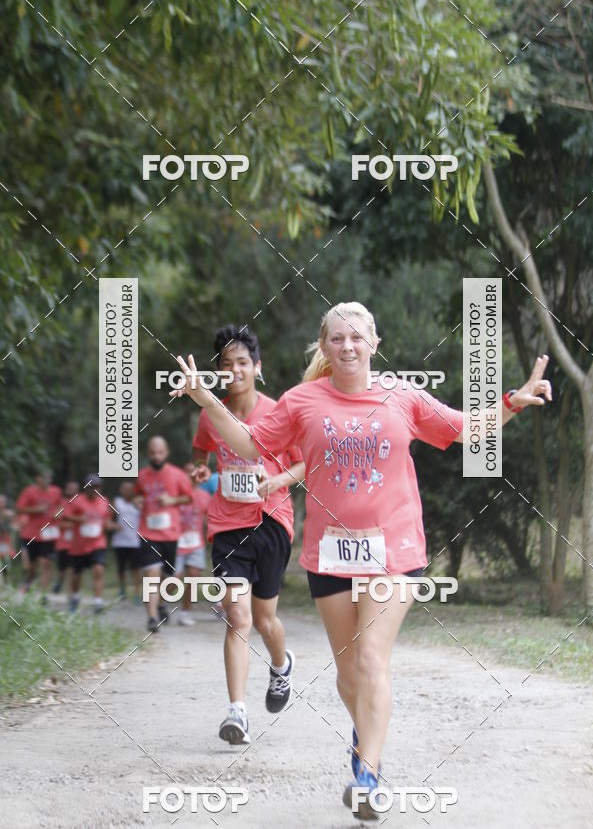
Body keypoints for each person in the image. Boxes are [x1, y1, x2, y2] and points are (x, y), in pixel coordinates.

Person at [171, 302, 552, 819]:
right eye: (336, 339)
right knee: (349, 676)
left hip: (394, 550)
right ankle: (364, 732)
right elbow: (251, 444)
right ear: (324, 348)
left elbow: (466, 428)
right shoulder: (302, 400)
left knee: (372, 659)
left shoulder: (402, 396)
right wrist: (205, 399)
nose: (347, 346)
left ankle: (368, 775)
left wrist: (514, 400)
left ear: (374, 343)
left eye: (357, 337)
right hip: (329, 553)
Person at [190, 324, 305, 746]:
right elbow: (200, 447)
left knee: (264, 619)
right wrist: (200, 468)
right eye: (226, 364)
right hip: (226, 525)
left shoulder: (280, 412)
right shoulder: (210, 413)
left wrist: (276, 482)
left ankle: (281, 665)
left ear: (257, 367)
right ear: (218, 372)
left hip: (272, 522)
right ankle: (236, 712)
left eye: (243, 362)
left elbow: (304, 465)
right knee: (237, 618)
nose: (234, 370)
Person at [134, 436, 193, 633]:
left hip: (170, 534)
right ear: (148, 454)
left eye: (160, 452)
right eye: (152, 453)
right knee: (151, 574)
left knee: (170, 579)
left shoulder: (177, 475)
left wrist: (171, 500)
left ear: (166, 453)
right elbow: (137, 495)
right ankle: (152, 618)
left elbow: (188, 498)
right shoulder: (142, 476)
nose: (156, 456)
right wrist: (138, 501)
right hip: (148, 532)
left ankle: (160, 603)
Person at [67, 474, 112, 613]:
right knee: (77, 575)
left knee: (99, 569)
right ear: (86, 487)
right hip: (78, 545)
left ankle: (98, 601)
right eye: (91, 487)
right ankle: (75, 597)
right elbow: (65, 515)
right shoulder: (77, 500)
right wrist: (79, 518)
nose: (94, 489)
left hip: (98, 543)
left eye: (97, 487)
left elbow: (106, 518)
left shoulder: (104, 501)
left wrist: (109, 525)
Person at [16, 469, 63, 601]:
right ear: (38, 479)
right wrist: (36, 509)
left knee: (46, 563)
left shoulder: (56, 491)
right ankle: (28, 583)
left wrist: (58, 514)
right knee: (30, 567)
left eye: (49, 478)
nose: (47, 480)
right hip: (31, 533)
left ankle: (44, 595)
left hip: (48, 533)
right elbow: (20, 508)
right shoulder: (29, 491)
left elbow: (61, 507)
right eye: (43, 477)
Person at [175, 463, 211, 626]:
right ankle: (160, 605)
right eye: (187, 472)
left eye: (194, 472)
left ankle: (185, 613)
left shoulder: (204, 496)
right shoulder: (175, 494)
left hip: (196, 543)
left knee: (193, 577)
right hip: (176, 542)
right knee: (173, 578)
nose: (191, 475)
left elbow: (206, 518)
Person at [112, 480, 141, 601]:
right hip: (120, 541)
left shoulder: (139, 502)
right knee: (121, 568)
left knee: (136, 569)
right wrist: (113, 525)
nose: (127, 492)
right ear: (121, 490)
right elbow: (107, 518)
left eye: (130, 489)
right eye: (125, 489)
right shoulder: (116, 502)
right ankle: (122, 590)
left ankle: (136, 594)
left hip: (135, 541)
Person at [53, 480, 79, 594]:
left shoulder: (80, 503)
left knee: (72, 568)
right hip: (62, 541)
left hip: (76, 542)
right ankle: (59, 582)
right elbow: (56, 518)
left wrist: (70, 520)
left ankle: (70, 590)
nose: (71, 490)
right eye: (69, 488)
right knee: (62, 567)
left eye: (73, 488)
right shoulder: (62, 503)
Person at [0, 495, 17, 581]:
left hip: (7, 540)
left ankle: (7, 580)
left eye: (2, 502)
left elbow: (15, 527)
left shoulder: (9, 514)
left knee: (7, 560)